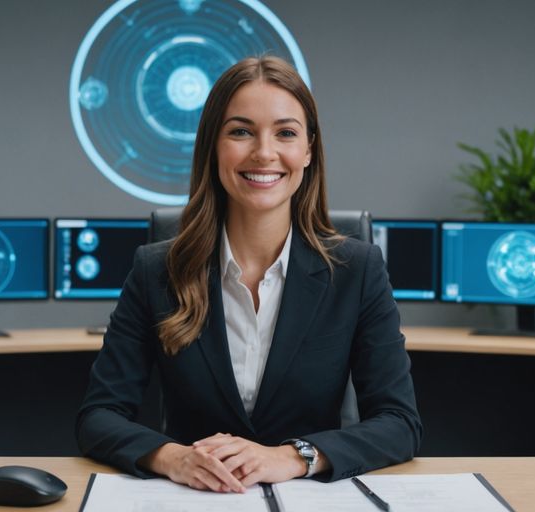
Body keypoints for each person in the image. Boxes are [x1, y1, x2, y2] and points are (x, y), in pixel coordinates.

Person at [75, 56, 421, 493]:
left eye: (286, 133)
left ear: (309, 150)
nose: (264, 152)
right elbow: (98, 416)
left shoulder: (358, 271)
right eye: (241, 131)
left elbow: (400, 424)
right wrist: (173, 457)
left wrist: (291, 457)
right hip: (193, 501)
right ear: (213, 147)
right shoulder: (156, 271)